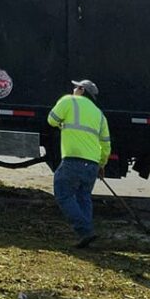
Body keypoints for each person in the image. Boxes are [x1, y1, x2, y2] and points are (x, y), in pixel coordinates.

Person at [47, 77, 111, 247]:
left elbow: (51, 119)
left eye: (77, 87)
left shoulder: (69, 101)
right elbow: (106, 143)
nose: (74, 89)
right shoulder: (99, 114)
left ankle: (85, 231)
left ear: (82, 90)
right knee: (84, 197)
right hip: (91, 164)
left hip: (73, 160)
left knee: (63, 194)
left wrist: (63, 123)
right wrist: (101, 164)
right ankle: (87, 236)